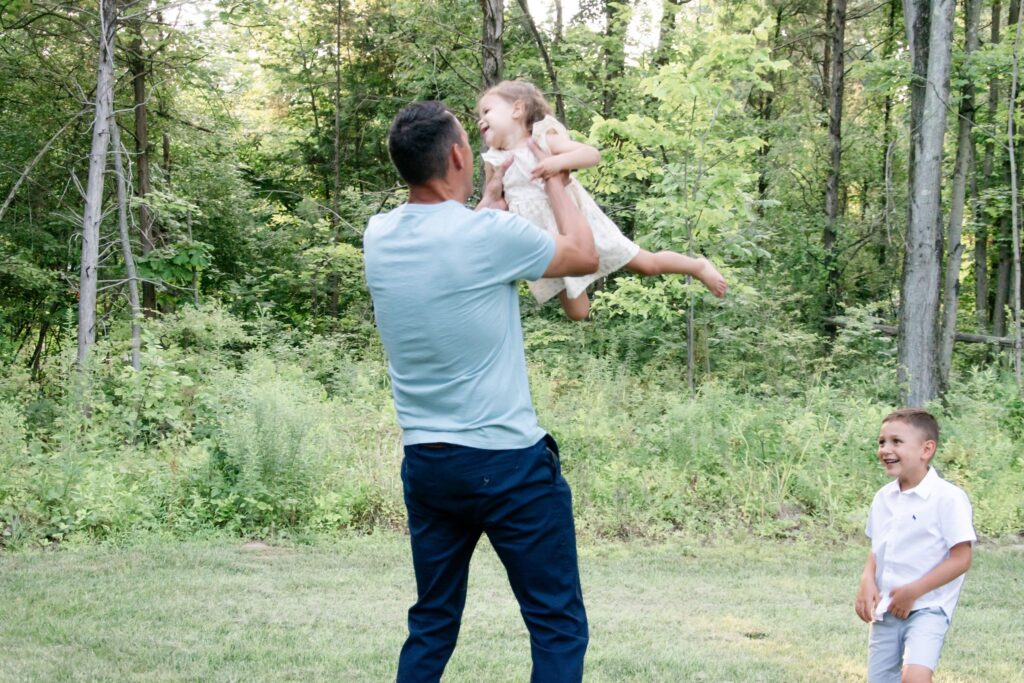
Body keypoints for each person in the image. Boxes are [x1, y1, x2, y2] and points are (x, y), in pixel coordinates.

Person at [363, 100, 597, 683]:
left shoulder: (380, 234)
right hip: (508, 464)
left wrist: (489, 196)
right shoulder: (488, 235)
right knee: (556, 624)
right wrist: (559, 178)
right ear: (461, 155)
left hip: (429, 464)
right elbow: (584, 256)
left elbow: (456, 239)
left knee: (433, 621)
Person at [476, 79, 727, 321]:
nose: (480, 120)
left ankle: (697, 266)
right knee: (577, 313)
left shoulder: (544, 140)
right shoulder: (495, 160)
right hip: (543, 239)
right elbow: (495, 203)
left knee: (646, 265)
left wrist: (558, 162)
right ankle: (599, 311)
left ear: (517, 109)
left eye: (487, 111)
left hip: (580, 225)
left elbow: (590, 154)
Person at [854, 409, 976, 683]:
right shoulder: (883, 498)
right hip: (887, 609)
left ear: (926, 449)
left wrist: (914, 591)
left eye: (896, 442)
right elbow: (878, 547)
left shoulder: (948, 498)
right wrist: (867, 580)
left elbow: (961, 558)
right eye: (881, 442)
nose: (885, 449)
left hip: (929, 607)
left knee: (915, 678)